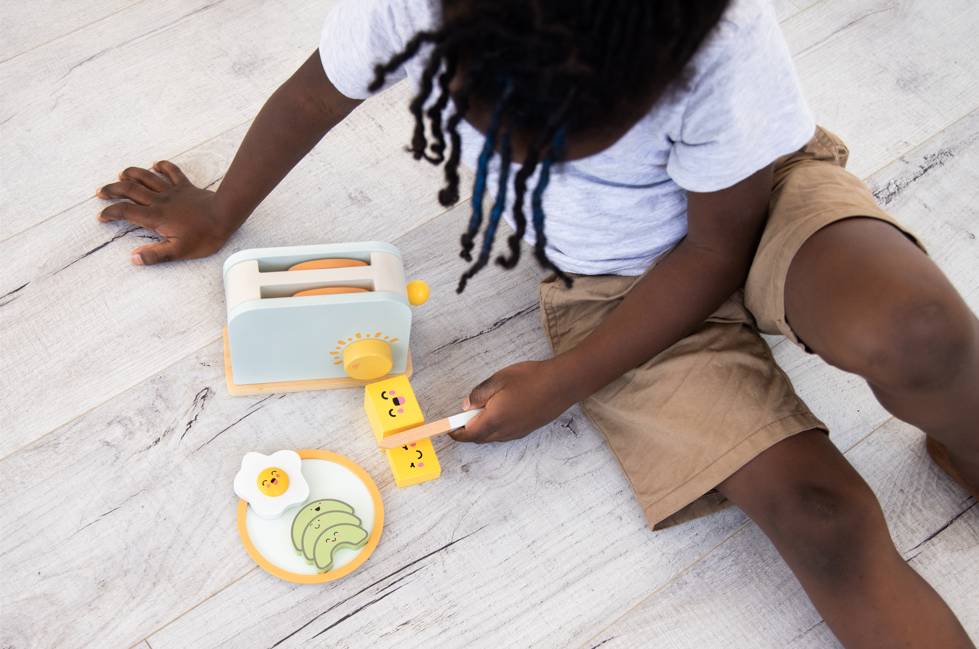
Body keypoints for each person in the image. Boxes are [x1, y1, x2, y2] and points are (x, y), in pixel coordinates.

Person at [96, 0, 978, 646]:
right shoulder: (414, 7)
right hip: (610, 290)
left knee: (917, 333)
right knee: (821, 521)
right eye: (492, 121)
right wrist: (219, 211)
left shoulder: (721, 40)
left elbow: (717, 246)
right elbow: (311, 97)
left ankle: (967, 446)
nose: (521, 153)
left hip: (754, 201)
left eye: (564, 136)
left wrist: (566, 378)